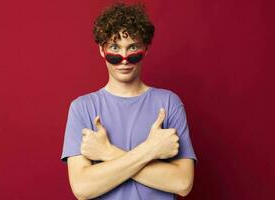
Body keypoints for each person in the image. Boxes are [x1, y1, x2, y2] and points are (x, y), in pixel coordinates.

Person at [60, 2, 198, 200]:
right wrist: (150, 150)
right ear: (102, 50)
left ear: (145, 49)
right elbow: (82, 188)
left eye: (132, 47)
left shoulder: (168, 103)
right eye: (115, 48)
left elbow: (183, 183)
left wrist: (108, 152)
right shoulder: (82, 108)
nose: (124, 58)